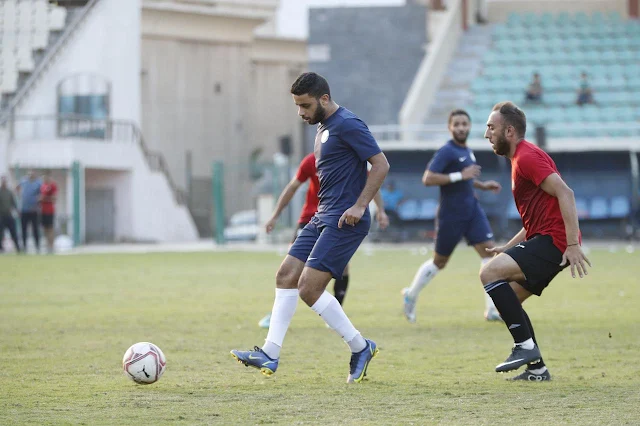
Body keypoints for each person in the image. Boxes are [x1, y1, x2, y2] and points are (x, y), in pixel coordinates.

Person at [231, 72, 390, 383]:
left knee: (308, 288)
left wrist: (360, 206)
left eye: (304, 105)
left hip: (346, 220)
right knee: (285, 275)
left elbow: (380, 164)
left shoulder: (348, 123)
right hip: (322, 216)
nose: (300, 113)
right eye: (297, 106)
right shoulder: (323, 128)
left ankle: (360, 347)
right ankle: (270, 353)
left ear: (324, 99)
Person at [481, 101, 591, 381]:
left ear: (509, 131)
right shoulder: (520, 158)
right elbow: (536, 221)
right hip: (548, 237)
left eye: (491, 127)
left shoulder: (527, 157)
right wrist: (508, 247)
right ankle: (537, 369)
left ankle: (524, 347)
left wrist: (573, 245)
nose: (486, 134)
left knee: (489, 273)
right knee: (510, 299)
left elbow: (566, 193)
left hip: (555, 242)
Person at [258, 153, 389, 329]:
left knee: (342, 266)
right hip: (309, 219)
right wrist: (275, 215)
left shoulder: (350, 161)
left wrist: (380, 210)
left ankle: (335, 315)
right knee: (289, 268)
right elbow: (292, 187)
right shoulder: (311, 161)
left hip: (336, 217)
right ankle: (276, 314)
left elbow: (372, 182)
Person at [402, 109, 502, 323]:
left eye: (464, 124)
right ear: (450, 127)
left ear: (469, 126)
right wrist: (460, 175)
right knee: (439, 262)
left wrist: (482, 185)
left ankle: (492, 309)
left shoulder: (467, 151)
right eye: (456, 124)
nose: (461, 127)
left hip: (472, 210)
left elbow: (465, 179)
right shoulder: (446, 151)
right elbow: (428, 178)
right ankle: (411, 294)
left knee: (490, 255)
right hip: (451, 215)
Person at [16, 170, 42, 253]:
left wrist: (38, 202)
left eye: (32, 174)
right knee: (24, 229)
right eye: (29, 174)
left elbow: (41, 194)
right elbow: (17, 188)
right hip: (24, 210)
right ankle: (24, 246)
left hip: (34, 210)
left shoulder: (38, 183)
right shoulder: (23, 181)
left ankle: (37, 246)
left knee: (35, 229)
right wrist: (20, 196)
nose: (31, 175)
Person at [0, 176, 22, 253]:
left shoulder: (9, 192)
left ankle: (18, 248)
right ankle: (1, 248)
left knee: (13, 232)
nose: (4, 182)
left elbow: (13, 203)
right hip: (1, 216)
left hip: (9, 215)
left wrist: (17, 211)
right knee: (0, 233)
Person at [40, 170, 58, 254]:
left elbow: (54, 198)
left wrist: (44, 198)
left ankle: (51, 246)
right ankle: (47, 245)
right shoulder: (42, 186)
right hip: (43, 210)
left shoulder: (53, 186)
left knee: (50, 228)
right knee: (45, 228)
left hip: (50, 210)